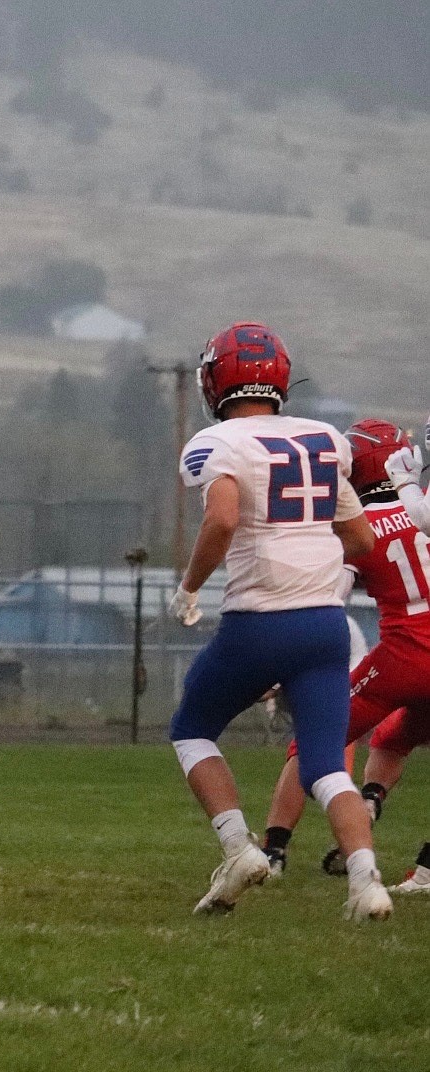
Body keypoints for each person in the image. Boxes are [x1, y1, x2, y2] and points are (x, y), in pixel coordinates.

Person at [167, 321, 390, 921]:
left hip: (260, 621)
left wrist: (189, 587)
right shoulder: (323, 438)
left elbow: (220, 521)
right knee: (324, 763)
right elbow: (360, 538)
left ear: (216, 380)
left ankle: (239, 848)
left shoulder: (222, 442)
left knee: (191, 729)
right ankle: (368, 882)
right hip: (324, 625)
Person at [261, 419, 430, 879]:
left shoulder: (359, 527)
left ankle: (273, 851)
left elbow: (330, 599)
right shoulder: (424, 508)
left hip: (404, 654)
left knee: (316, 738)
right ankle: (372, 801)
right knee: (394, 737)